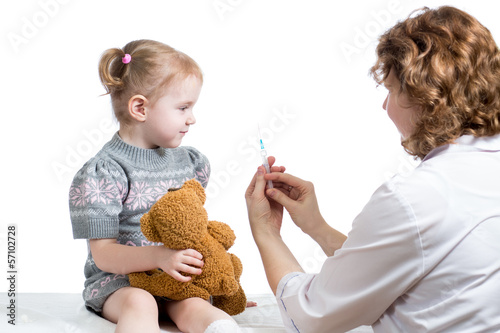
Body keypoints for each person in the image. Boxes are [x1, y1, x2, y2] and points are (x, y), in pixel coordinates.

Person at [245, 6, 500, 333]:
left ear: (426, 96)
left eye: (392, 90)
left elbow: (310, 316)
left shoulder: (415, 198)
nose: (385, 105)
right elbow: (408, 262)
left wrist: (265, 230)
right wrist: (316, 226)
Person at [69, 39, 251, 333]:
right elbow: (103, 254)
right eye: (183, 107)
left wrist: (220, 286)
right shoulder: (103, 172)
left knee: (197, 306)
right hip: (120, 283)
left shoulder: (189, 163)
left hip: (175, 281)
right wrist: (159, 258)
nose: (192, 119)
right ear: (140, 107)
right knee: (141, 303)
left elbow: (191, 230)